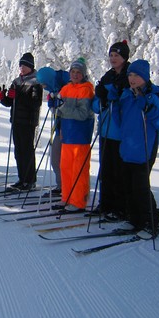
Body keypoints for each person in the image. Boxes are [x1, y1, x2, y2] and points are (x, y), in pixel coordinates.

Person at [114, 59, 159, 239]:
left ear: (145, 77)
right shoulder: (126, 95)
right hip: (127, 148)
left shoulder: (154, 96)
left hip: (144, 149)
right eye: (130, 75)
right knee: (128, 187)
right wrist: (114, 106)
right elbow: (120, 122)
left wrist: (150, 109)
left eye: (136, 75)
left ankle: (151, 222)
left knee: (141, 188)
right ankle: (134, 218)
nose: (132, 79)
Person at [92, 40, 131, 220]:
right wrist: (99, 101)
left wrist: (115, 98)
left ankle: (120, 207)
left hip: (121, 132)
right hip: (106, 130)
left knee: (119, 171)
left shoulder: (130, 76)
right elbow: (97, 103)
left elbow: (130, 102)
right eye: (111, 55)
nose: (113, 59)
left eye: (117, 55)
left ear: (124, 57)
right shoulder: (107, 77)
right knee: (105, 170)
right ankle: (105, 204)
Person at [0, 52, 43, 191]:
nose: (22, 68)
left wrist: (18, 96)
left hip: (28, 121)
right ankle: (22, 178)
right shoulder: (17, 81)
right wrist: (2, 98)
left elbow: (35, 103)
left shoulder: (36, 82)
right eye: (21, 65)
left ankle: (30, 180)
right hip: (16, 120)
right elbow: (11, 102)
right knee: (19, 152)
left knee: (27, 151)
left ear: (31, 67)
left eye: (25, 65)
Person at [54, 57, 95, 212]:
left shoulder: (86, 89)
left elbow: (83, 114)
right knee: (66, 168)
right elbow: (59, 105)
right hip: (67, 135)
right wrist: (54, 102)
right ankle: (67, 197)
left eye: (79, 72)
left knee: (79, 169)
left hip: (80, 136)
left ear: (83, 74)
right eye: (73, 71)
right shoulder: (67, 88)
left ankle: (78, 201)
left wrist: (62, 107)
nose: (75, 75)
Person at [36, 66, 70, 195]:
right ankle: (60, 186)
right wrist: (52, 105)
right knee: (55, 159)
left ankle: (66, 188)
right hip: (59, 128)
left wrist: (59, 105)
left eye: (44, 84)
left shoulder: (66, 85)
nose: (44, 87)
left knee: (64, 161)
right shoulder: (54, 88)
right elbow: (57, 110)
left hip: (69, 130)